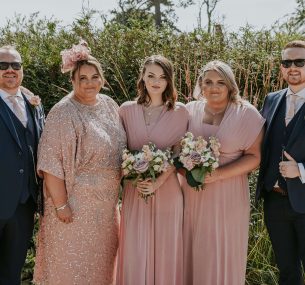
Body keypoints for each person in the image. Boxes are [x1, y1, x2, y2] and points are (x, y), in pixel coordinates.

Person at [33, 41, 126, 284]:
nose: (89, 83)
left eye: (95, 77)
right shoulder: (63, 111)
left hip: (106, 210)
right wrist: (62, 205)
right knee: (71, 268)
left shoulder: (109, 105)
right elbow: (51, 162)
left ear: (102, 79)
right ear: (72, 80)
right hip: (74, 207)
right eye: (82, 78)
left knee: (101, 269)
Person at [180, 60, 265, 285]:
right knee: (192, 247)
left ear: (230, 85)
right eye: (208, 82)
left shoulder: (246, 113)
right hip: (192, 194)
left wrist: (218, 175)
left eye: (220, 82)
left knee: (222, 248)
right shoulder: (189, 111)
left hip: (228, 194)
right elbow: (176, 150)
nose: (214, 87)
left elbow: (255, 157)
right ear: (200, 84)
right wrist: (186, 170)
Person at [116, 55, 188, 285]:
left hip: (167, 191)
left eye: (162, 77)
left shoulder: (181, 112)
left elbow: (178, 154)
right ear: (142, 78)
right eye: (151, 76)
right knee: (135, 249)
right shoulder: (126, 110)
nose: (156, 81)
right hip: (134, 191)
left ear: (169, 81)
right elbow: (119, 150)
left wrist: (158, 181)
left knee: (166, 248)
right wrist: (131, 174)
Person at [256, 40, 305, 285]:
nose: (293, 67)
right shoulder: (271, 99)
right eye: (287, 63)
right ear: (281, 67)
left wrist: (301, 170)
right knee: (286, 272)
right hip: (274, 200)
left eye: (300, 62)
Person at [0, 45, 44, 284]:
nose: (10, 70)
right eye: (3, 65)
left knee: (11, 273)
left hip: (23, 204)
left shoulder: (34, 103)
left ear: (22, 70)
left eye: (15, 65)